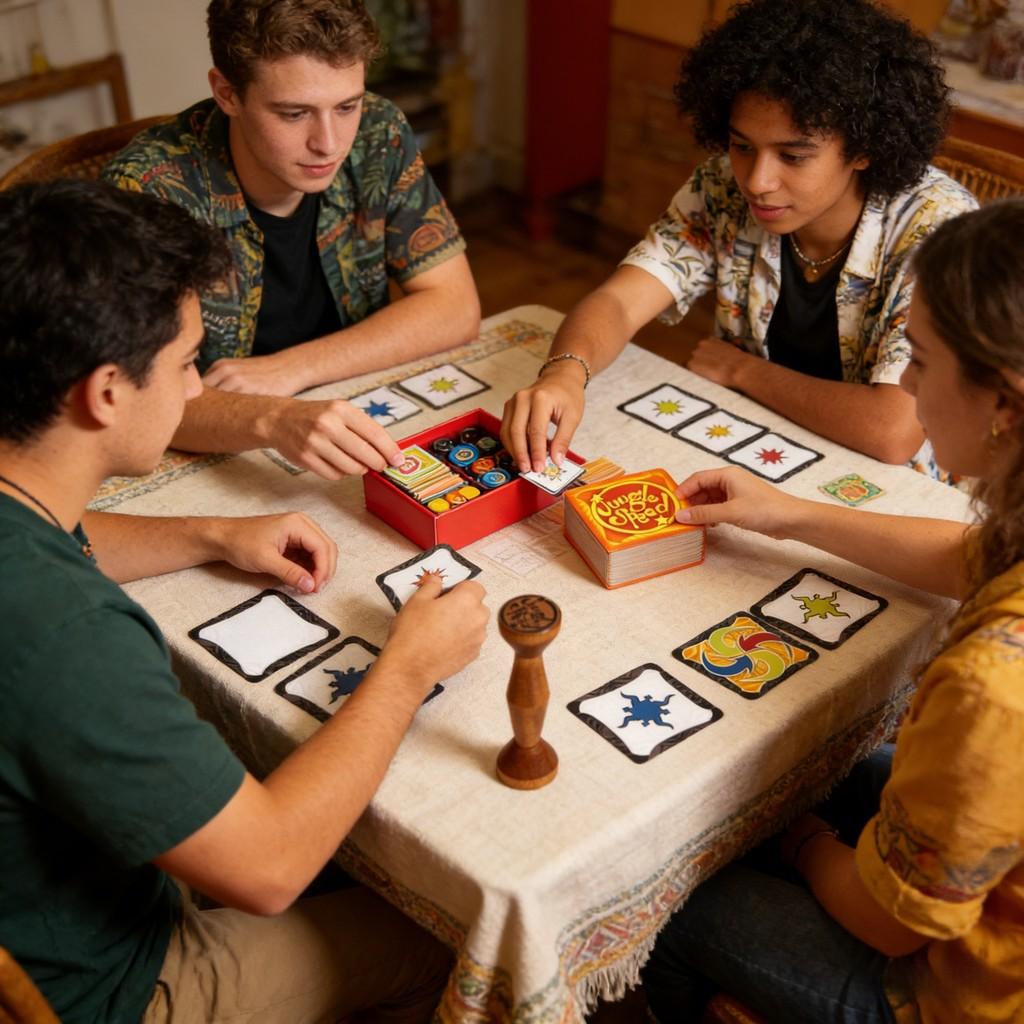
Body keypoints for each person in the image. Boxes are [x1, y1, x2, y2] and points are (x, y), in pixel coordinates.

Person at [0, 179, 489, 1023]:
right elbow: (269, 869)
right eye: (185, 363)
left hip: (51, 895)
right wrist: (409, 669)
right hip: (107, 985)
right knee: (455, 936)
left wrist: (211, 534)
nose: (196, 391)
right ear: (106, 391)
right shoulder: (66, 632)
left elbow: (58, 534)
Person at [640, 200, 1024, 1023]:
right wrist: (787, 514)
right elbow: (974, 557)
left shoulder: (993, 684)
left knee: (664, 902)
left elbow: (890, 927)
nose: (906, 386)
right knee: (831, 766)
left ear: (1005, 404)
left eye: (921, 362)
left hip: (960, 997)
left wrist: (804, 842)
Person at [501, 0, 977, 480]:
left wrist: (741, 371)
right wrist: (565, 373)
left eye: (793, 156)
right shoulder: (721, 188)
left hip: (885, 487)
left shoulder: (940, 231)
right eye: (742, 146)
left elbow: (892, 431)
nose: (756, 181)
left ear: (864, 149)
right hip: (753, 448)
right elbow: (620, 302)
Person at [104, 0, 481, 480]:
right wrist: (274, 417)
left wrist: (293, 368)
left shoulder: (377, 131)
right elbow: (139, 400)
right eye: (294, 113)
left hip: (349, 410)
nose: (329, 143)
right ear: (227, 93)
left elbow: (455, 307)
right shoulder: (149, 189)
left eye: (346, 106)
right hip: (218, 453)